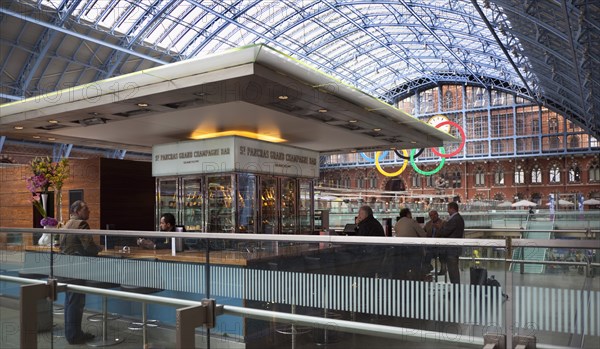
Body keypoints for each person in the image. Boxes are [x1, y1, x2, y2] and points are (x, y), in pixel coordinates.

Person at [60, 200, 101, 344]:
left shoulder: (66, 224)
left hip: (65, 267)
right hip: (76, 268)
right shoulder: (81, 224)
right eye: (86, 209)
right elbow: (89, 247)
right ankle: (74, 335)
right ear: (77, 211)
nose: (89, 212)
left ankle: (71, 333)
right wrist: (99, 249)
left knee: (70, 301)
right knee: (76, 302)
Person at [433, 202, 465, 284]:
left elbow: (445, 232)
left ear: (452, 208)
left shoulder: (454, 219)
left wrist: (439, 228)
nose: (447, 211)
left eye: (448, 209)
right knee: (453, 270)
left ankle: (455, 290)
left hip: (452, 249)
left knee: (453, 271)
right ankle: (456, 289)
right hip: (455, 248)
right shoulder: (458, 218)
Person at [393, 208, 427, 280]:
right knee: (416, 267)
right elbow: (423, 234)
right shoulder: (412, 221)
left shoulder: (397, 223)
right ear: (408, 214)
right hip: (413, 249)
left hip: (401, 250)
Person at [423, 210, 447, 276]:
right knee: (426, 252)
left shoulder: (443, 222)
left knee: (440, 252)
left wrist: (439, 229)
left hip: (440, 245)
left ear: (437, 215)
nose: (433, 217)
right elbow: (423, 233)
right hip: (430, 245)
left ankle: (443, 268)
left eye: (434, 215)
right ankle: (427, 267)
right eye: (431, 215)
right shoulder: (428, 224)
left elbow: (445, 234)